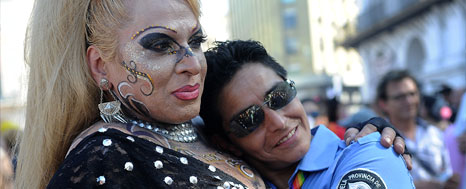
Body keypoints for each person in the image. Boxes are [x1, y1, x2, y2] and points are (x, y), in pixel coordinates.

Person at [15, 0, 407, 188]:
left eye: (195, 41)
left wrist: (370, 136)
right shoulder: (105, 155)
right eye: (159, 45)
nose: (191, 63)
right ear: (100, 66)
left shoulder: (200, 132)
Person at [200, 40, 414, 188]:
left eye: (279, 96)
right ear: (224, 143)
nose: (278, 121)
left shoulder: (369, 152)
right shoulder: (237, 184)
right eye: (249, 119)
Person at [376, 69, 455, 188]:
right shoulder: (378, 140)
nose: (409, 101)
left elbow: (446, 172)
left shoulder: (434, 133)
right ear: (383, 104)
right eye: (399, 97)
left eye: (412, 94)